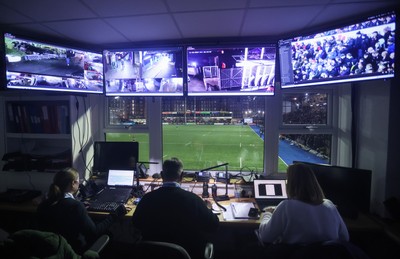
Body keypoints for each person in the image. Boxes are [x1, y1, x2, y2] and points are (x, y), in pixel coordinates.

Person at [131, 157, 219, 259]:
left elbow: (136, 223)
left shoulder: (147, 198)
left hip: (153, 254)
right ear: (181, 176)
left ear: (162, 175)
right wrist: (207, 208)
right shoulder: (194, 200)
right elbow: (213, 225)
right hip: (187, 254)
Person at [257, 163, 349, 249]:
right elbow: (345, 238)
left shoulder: (286, 206)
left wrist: (267, 214)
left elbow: (265, 236)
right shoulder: (330, 205)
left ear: (291, 184)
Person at [36, 167, 127, 254]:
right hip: (72, 251)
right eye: (78, 180)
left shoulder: (44, 204)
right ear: (73, 183)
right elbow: (94, 233)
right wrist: (115, 214)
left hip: (49, 250)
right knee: (108, 234)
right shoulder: (75, 206)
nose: (80, 183)